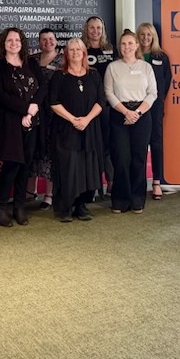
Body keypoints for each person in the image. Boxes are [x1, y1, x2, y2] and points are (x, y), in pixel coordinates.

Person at [0, 27, 46, 227]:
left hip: (32, 122)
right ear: (3, 44)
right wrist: (24, 109)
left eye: (17, 40)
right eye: (9, 40)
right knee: (12, 165)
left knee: (25, 165)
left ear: (22, 43)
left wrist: (31, 111)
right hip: (9, 123)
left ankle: (19, 206)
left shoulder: (31, 62)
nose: (14, 43)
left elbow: (43, 87)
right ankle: (1, 207)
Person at [49, 38, 104, 222]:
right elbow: (53, 102)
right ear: (66, 54)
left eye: (78, 49)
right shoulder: (59, 76)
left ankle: (81, 205)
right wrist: (73, 119)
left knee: (87, 167)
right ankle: (65, 208)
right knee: (68, 168)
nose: (75, 53)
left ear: (84, 53)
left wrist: (86, 119)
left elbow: (101, 101)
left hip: (89, 128)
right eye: (71, 50)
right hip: (66, 129)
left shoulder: (94, 75)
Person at [104, 30, 157, 214]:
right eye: (123, 44)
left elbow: (153, 93)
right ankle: (120, 200)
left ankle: (137, 199)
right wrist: (126, 112)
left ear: (136, 46)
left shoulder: (146, 67)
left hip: (142, 115)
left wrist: (137, 113)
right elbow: (108, 93)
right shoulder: (112, 67)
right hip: (119, 115)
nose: (126, 47)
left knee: (138, 158)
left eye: (130, 43)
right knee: (121, 158)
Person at [136, 22, 172, 201]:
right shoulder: (133, 56)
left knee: (156, 142)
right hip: (136, 105)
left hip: (155, 106)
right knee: (139, 144)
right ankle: (139, 182)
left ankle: (156, 182)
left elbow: (166, 80)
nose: (145, 38)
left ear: (154, 37)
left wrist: (158, 99)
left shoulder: (161, 57)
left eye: (149, 35)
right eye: (142, 34)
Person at [82, 16, 117, 197]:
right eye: (92, 28)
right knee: (93, 144)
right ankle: (93, 185)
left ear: (103, 30)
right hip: (88, 106)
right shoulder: (81, 49)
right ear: (86, 30)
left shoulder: (111, 50)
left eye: (98, 28)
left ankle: (111, 181)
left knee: (109, 143)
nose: (95, 31)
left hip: (109, 104)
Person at [29, 28, 63, 210]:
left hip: (55, 113)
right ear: (39, 42)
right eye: (44, 39)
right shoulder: (32, 60)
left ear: (56, 41)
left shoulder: (63, 60)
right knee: (33, 150)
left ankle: (49, 194)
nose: (48, 42)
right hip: (35, 111)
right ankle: (30, 190)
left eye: (51, 39)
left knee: (51, 153)